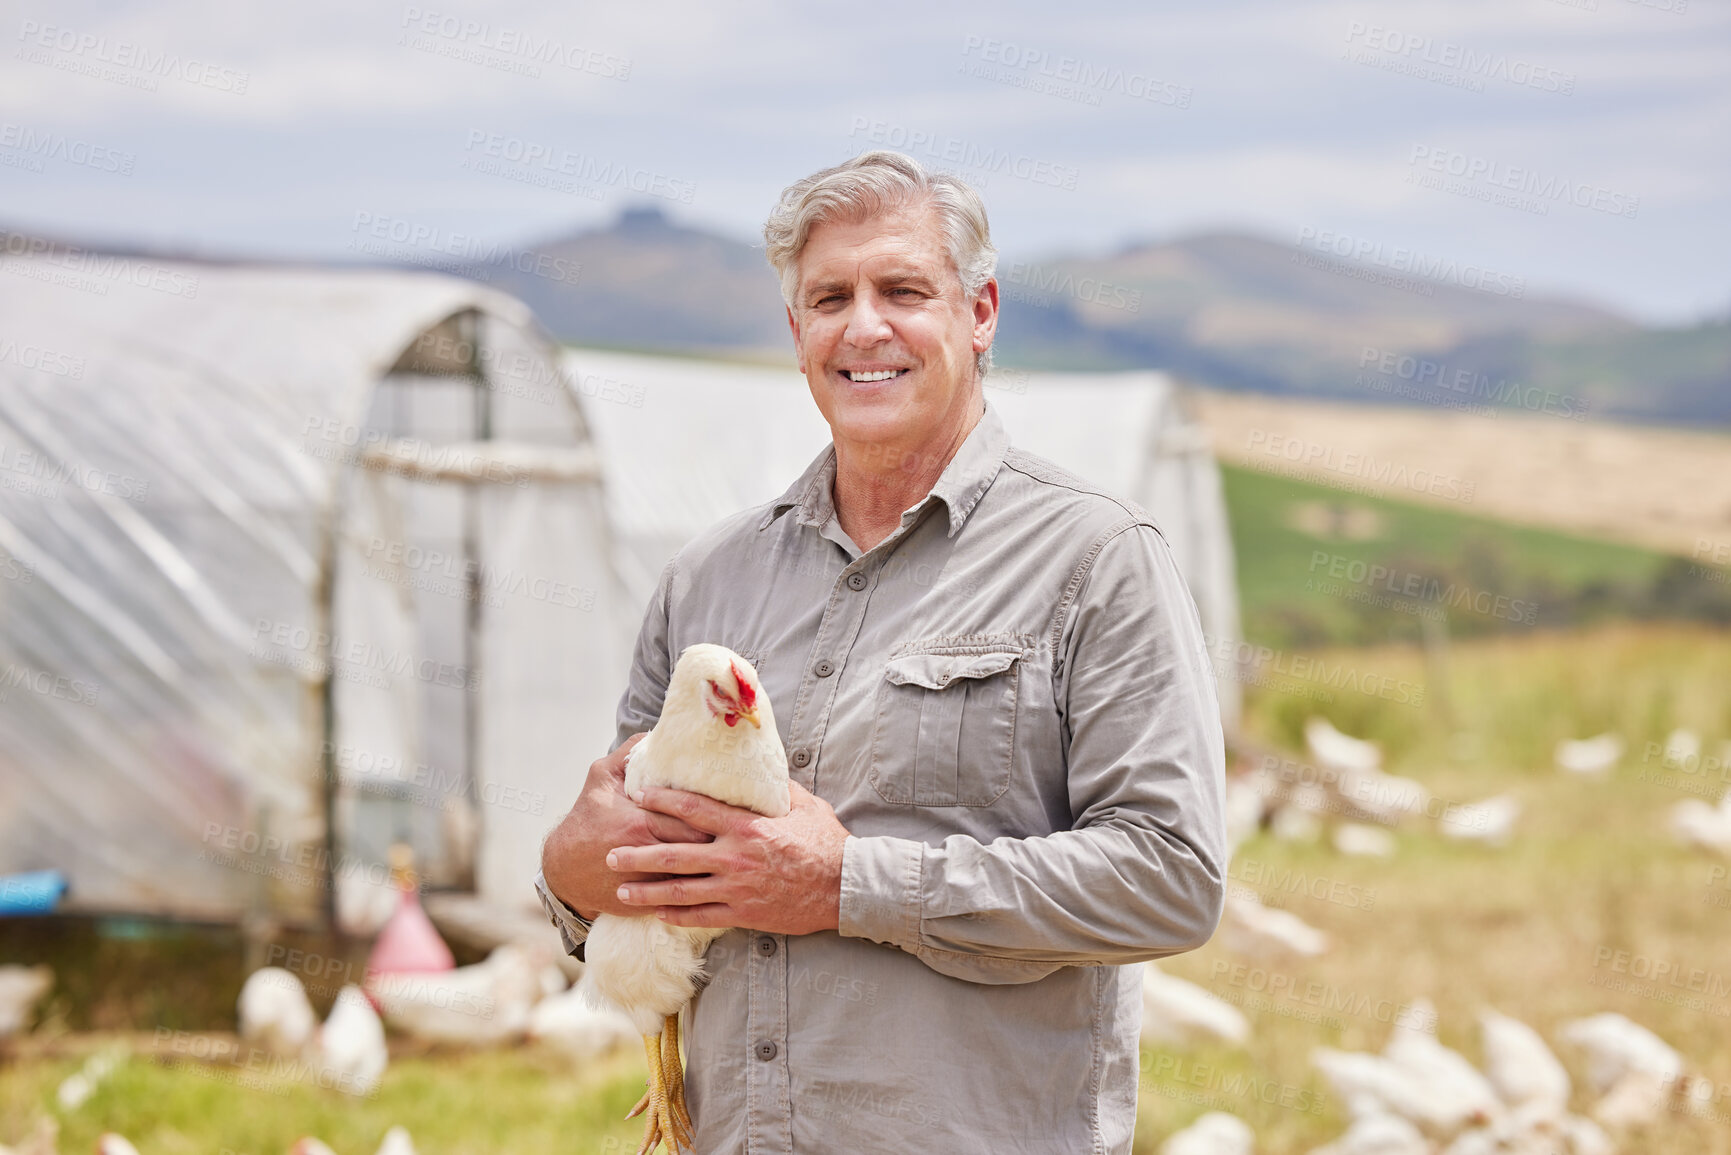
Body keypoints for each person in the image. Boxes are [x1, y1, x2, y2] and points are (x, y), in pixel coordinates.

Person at [537, 149, 1226, 1154]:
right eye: (830, 298)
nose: (864, 327)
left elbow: (1170, 876)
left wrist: (850, 884)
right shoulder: (709, 578)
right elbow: (633, 884)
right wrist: (565, 872)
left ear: (980, 312)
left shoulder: (1096, 560)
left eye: (903, 289)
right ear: (797, 331)